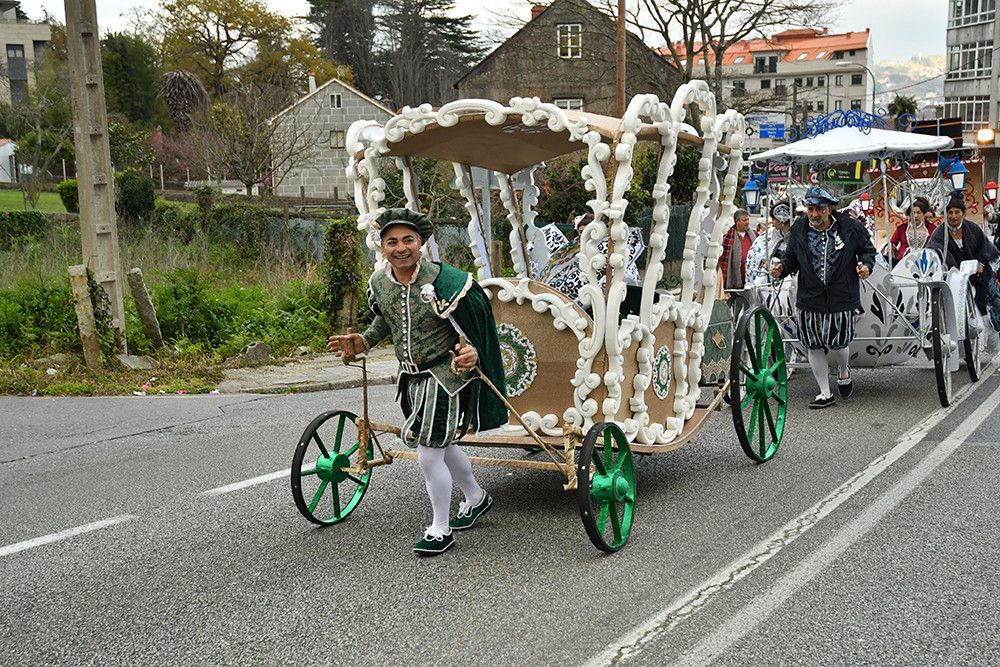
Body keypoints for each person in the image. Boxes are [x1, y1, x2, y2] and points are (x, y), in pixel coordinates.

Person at [327, 208, 508, 556]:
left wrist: (471, 353)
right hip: (410, 378)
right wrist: (363, 341)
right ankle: (476, 496)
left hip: (446, 376)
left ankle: (440, 528)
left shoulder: (446, 282)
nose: (401, 248)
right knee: (440, 444)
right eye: (392, 242)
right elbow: (385, 321)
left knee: (427, 454)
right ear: (382, 248)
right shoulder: (379, 283)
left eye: (408, 240)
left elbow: (471, 331)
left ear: (421, 243)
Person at [771, 185, 876, 409]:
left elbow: (868, 250)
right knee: (813, 344)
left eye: (818, 209)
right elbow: (791, 258)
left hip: (841, 294)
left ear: (829, 209)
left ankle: (844, 370)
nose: (814, 214)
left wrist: (866, 265)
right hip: (810, 296)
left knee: (838, 344)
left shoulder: (850, 227)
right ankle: (824, 393)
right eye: (810, 209)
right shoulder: (799, 229)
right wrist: (782, 268)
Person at [926, 195, 1000, 330]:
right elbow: (934, 249)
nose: (953, 216)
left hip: (980, 275)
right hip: (954, 277)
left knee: (996, 305)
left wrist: (979, 264)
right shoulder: (940, 232)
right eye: (950, 212)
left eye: (957, 212)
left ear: (963, 213)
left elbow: (984, 249)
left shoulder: (973, 229)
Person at [745, 201, 793, 286]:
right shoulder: (775, 233)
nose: (772, 222)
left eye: (774, 219)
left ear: (781, 220)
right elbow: (769, 252)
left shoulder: (796, 236)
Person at [889, 196, 936, 260]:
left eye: (919, 213)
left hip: (925, 262)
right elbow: (892, 244)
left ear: (923, 214)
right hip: (903, 262)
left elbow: (936, 246)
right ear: (909, 214)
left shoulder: (932, 228)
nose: (916, 216)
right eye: (913, 213)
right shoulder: (901, 228)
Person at [720, 208, 757, 290]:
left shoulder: (755, 236)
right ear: (737, 221)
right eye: (744, 220)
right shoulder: (727, 239)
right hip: (735, 282)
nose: (747, 222)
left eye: (748, 219)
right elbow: (722, 261)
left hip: (752, 280)